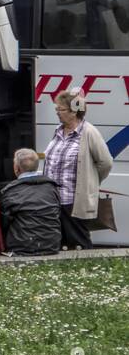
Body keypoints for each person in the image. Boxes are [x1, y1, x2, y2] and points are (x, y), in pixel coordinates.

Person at [43, 89, 113, 250]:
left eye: (61, 109)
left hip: (73, 201)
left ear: (74, 112)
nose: (57, 113)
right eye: (57, 109)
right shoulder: (58, 131)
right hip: (53, 200)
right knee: (59, 245)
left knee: (79, 243)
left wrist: (91, 182)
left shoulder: (89, 132)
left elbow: (106, 163)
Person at [0, 148, 63, 256]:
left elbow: (3, 222)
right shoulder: (51, 188)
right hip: (51, 245)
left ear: (16, 168)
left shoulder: (11, 191)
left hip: (22, 246)